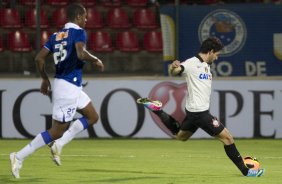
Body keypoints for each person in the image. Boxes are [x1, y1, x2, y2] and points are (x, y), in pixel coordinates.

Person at [137, 37, 265, 177]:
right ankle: (247, 171)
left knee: (181, 136)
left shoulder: (206, 65)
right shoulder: (192, 63)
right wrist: (173, 67)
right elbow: (176, 70)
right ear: (210, 51)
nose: (217, 57)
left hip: (194, 111)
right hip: (199, 113)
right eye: (216, 54)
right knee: (227, 138)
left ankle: (157, 110)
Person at [9, 3, 104, 179]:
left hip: (68, 85)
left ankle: (58, 145)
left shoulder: (56, 35)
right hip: (68, 87)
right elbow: (81, 53)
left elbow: (39, 58)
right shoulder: (78, 33)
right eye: (84, 16)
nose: (86, 19)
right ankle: (19, 156)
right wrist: (96, 59)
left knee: (92, 116)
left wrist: (45, 78)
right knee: (57, 130)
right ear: (77, 17)